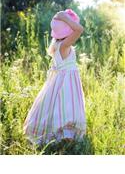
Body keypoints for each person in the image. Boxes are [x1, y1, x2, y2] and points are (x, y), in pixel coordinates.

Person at [23, 9, 86, 145]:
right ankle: (65, 134)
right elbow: (80, 30)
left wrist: (63, 19)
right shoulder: (64, 45)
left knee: (55, 106)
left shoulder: (57, 44)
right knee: (66, 106)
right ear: (68, 30)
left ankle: (63, 133)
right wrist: (65, 18)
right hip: (66, 83)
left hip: (59, 80)